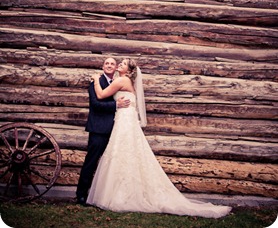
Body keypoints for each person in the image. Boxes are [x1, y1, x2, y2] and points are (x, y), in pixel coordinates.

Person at [86, 58, 232, 219]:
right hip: (125, 121)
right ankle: (122, 192)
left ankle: (120, 195)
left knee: (121, 156)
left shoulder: (121, 80)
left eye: (123, 63)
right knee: (125, 156)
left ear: (128, 70)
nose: (120, 64)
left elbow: (100, 94)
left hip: (124, 122)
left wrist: (94, 79)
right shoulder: (125, 81)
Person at [76, 56, 130, 205]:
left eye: (112, 63)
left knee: (110, 164)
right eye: (106, 63)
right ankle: (81, 194)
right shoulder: (96, 82)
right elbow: (95, 104)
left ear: (115, 67)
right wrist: (116, 105)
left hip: (115, 130)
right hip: (99, 129)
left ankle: (105, 195)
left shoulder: (119, 82)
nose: (109, 65)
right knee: (91, 162)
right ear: (102, 66)